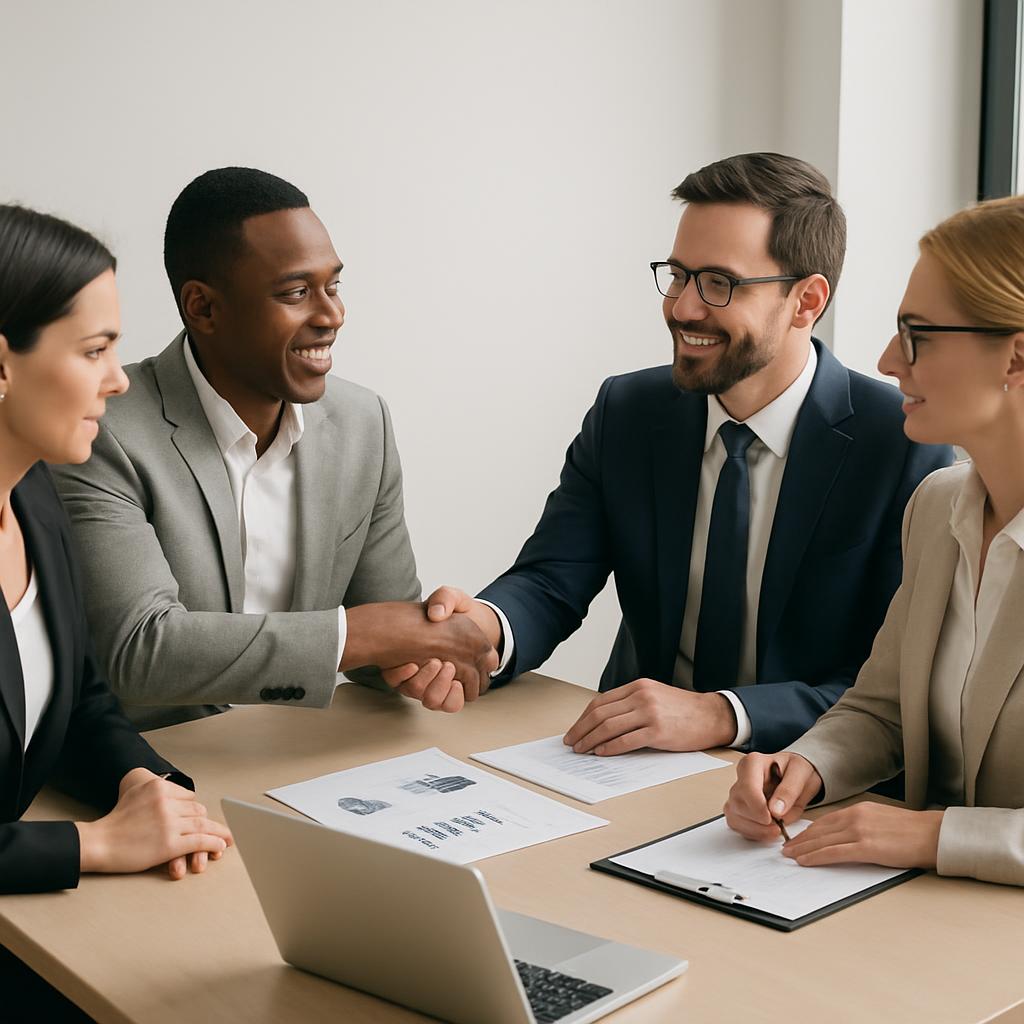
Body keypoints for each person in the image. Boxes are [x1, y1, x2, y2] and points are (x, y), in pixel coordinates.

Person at [389, 153, 953, 753]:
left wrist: (722, 715)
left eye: (719, 283)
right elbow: (554, 578)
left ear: (807, 302)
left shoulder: (901, 446)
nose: (684, 307)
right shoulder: (628, 411)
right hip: (628, 762)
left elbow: (890, 686)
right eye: (679, 275)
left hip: (808, 779)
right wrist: (483, 630)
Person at [53, 168, 495, 731]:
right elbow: (140, 651)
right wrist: (366, 634)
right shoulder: (101, 431)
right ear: (203, 308)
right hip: (154, 771)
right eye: (295, 293)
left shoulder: (364, 423)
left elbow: (385, 639)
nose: (331, 315)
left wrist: (419, 649)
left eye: (333, 286)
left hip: (303, 756)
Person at [723, 195, 1024, 886]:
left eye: (917, 335)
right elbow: (881, 706)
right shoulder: (938, 506)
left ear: (1016, 356)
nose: (889, 361)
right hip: (920, 922)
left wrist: (932, 835)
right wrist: (807, 765)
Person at [0, 203, 233, 1013]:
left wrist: (149, 783)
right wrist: (96, 844)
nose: (120, 378)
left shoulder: (34, 490)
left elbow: (84, 696)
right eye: (94, 350)